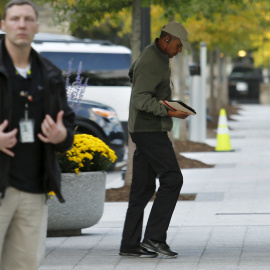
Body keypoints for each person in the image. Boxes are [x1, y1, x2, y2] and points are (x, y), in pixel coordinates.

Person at [0, 0, 75, 269]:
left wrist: (60, 135)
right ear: (3, 25)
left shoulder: (51, 74)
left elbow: (67, 127)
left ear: (36, 27)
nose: (22, 24)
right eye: (15, 18)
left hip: (33, 189)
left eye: (28, 19)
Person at [119, 22, 192, 258]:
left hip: (145, 129)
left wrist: (170, 106)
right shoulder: (151, 59)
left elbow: (135, 78)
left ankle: (130, 245)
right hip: (149, 130)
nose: (179, 51)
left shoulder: (154, 56)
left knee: (142, 189)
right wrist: (171, 111)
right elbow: (141, 99)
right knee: (172, 179)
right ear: (166, 39)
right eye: (178, 46)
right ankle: (154, 238)